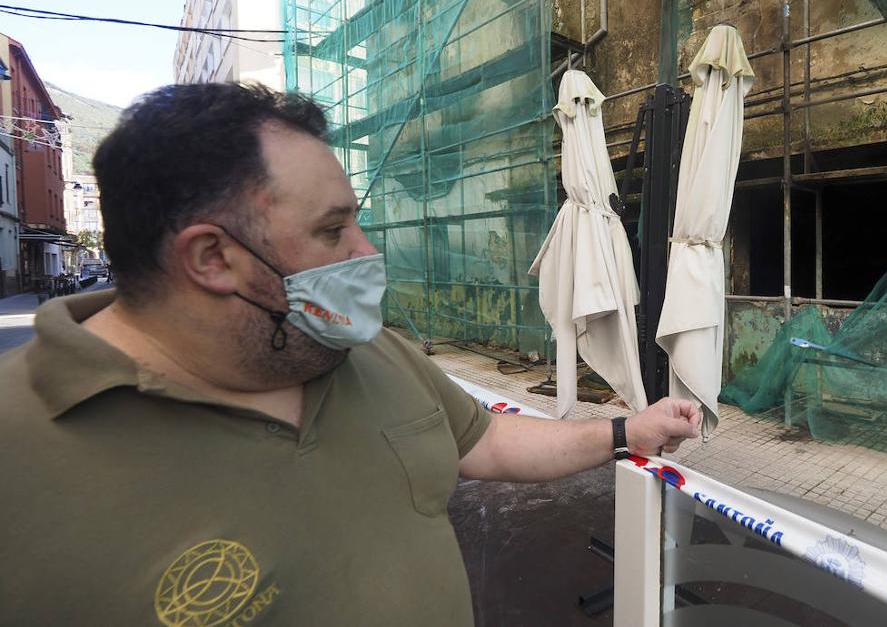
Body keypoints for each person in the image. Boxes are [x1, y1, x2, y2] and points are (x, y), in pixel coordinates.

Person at [0, 83, 701, 626]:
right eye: (334, 230)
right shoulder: (22, 455)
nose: (368, 252)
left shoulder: (363, 351)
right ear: (213, 257)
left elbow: (482, 442)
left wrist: (624, 433)